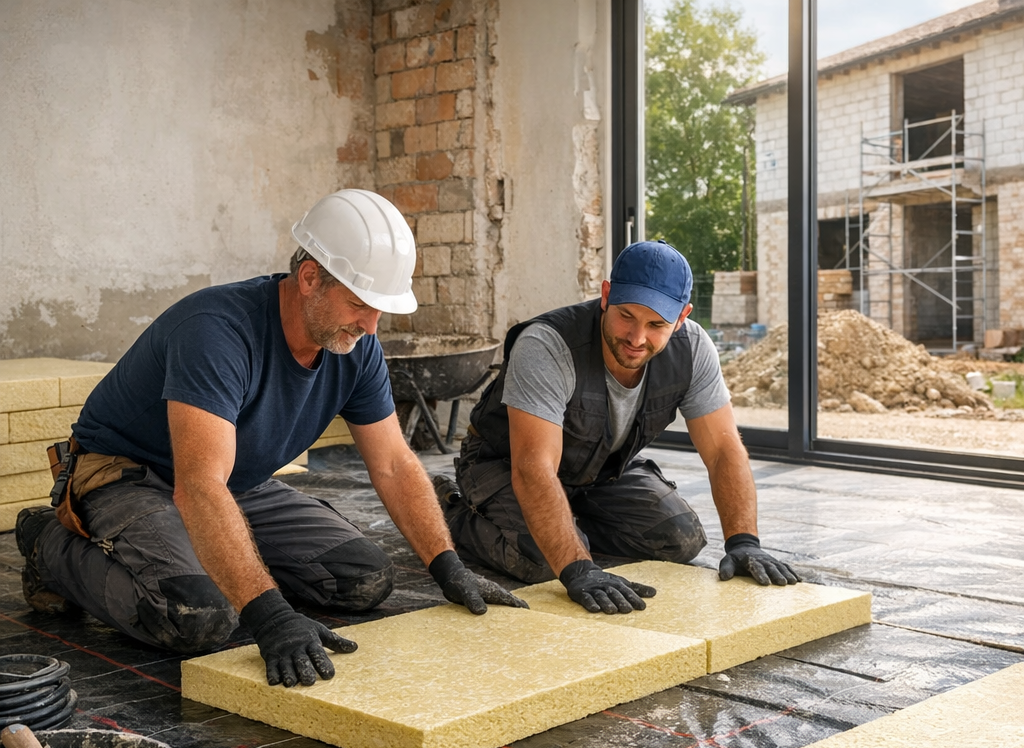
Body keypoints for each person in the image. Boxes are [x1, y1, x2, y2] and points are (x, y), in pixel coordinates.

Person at [16, 189, 525, 685]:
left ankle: (217, 557)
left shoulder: (357, 347)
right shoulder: (216, 331)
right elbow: (197, 487)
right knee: (197, 614)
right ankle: (49, 545)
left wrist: (448, 566)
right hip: (130, 477)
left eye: (380, 310)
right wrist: (269, 616)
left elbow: (392, 462)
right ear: (309, 278)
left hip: (233, 481)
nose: (371, 326)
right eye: (358, 304)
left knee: (362, 578)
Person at [435, 239, 799, 614]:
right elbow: (533, 469)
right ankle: (450, 509)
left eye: (657, 324)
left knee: (679, 539)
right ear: (606, 295)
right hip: (504, 465)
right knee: (543, 563)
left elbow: (724, 450)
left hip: (598, 471)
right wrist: (577, 567)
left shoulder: (693, 349)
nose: (637, 338)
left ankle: (570, 523)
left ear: (682, 316)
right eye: (626, 315)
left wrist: (744, 542)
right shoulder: (547, 345)